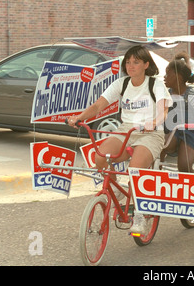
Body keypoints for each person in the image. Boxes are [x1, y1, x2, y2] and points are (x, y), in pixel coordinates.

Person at [67, 45, 172, 234]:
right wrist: (80, 118)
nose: (131, 66)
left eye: (136, 62)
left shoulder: (155, 84)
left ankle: (139, 214)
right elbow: (98, 105)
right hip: (126, 130)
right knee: (100, 157)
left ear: (146, 64)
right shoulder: (122, 84)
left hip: (151, 133)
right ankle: (114, 189)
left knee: (135, 170)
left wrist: (154, 122)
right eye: (128, 62)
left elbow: (163, 110)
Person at [161, 54, 194, 172]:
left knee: (184, 167)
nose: (164, 77)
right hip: (171, 132)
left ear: (178, 77)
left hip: (191, 135)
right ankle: (156, 176)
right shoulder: (165, 94)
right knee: (156, 148)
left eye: (168, 73)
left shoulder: (193, 95)